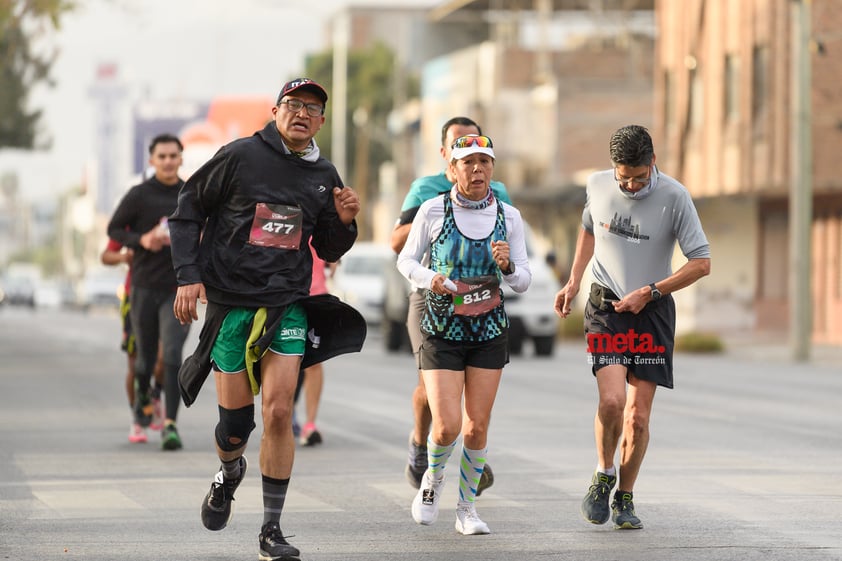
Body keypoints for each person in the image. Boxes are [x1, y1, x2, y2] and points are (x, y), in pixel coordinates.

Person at [169, 78, 361, 561]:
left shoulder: (324, 173)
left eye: (312, 108)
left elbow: (328, 248)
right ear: (276, 111)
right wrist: (188, 274)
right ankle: (229, 471)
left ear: (321, 121)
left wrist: (343, 221)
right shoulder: (240, 156)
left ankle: (271, 530)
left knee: (278, 411)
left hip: (287, 303)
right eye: (293, 105)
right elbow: (186, 213)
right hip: (232, 304)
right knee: (235, 428)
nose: (302, 113)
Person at [553, 124, 711, 530]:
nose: (632, 186)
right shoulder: (597, 185)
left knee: (637, 417)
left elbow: (701, 263)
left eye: (640, 178)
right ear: (613, 168)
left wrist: (652, 291)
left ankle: (625, 495)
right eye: (625, 178)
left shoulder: (675, 197)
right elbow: (590, 228)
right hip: (606, 306)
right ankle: (603, 474)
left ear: (653, 162)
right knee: (612, 402)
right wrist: (574, 281)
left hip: (652, 311)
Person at [397, 134, 531, 535]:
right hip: (441, 328)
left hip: (488, 329)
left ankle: (467, 509)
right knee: (447, 426)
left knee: (476, 426)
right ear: (452, 170)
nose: (477, 170)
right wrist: (429, 278)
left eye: (484, 162)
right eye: (468, 162)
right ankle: (432, 483)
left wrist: (507, 268)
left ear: (493, 168)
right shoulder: (432, 209)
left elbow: (524, 281)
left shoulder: (510, 216)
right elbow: (405, 259)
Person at [107, 133, 191, 451]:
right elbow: (113, 229)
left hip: (177, 288)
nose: (169, 161)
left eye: (174, 156)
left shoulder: (190, 194)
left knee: (171, 355)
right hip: (143, 287)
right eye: (162, 156)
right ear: (152, 160)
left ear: (182, 158)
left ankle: (170, 425)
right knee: (142, 362)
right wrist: (141, 240)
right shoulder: (139, 195)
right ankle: (143, 397)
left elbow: (207, 234)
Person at [100, 239, 166, 443]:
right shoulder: (133, 216)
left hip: (166, 293)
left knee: (164, 358)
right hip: (135, 294)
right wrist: (124, 257)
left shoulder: (172, 211)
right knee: (136, 363)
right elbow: (106, 255)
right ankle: (137, 417)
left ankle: (154, 395)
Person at [296, 241, 337, 446]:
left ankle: (310, 424)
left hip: (316, 295)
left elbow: (334, 253)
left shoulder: (320, 209)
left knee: (313, 362)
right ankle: (282, 415)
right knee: (282, 360)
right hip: (282, 293)